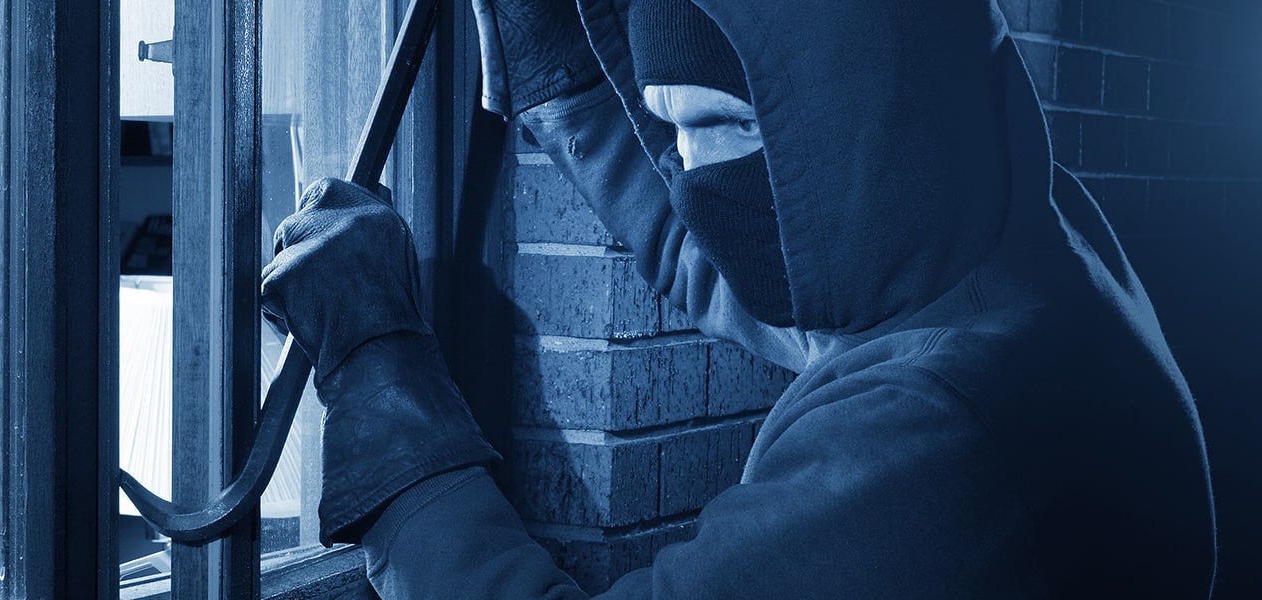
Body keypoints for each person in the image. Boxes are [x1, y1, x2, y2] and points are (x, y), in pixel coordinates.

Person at [258, 0, 1219, 596]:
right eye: (673, 130)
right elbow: (726, 260)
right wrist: (574, 94)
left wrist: (379, 365)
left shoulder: (940, 435)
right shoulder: (1007, 240)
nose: (694, 178)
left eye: (728, 127)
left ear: (868, 115)